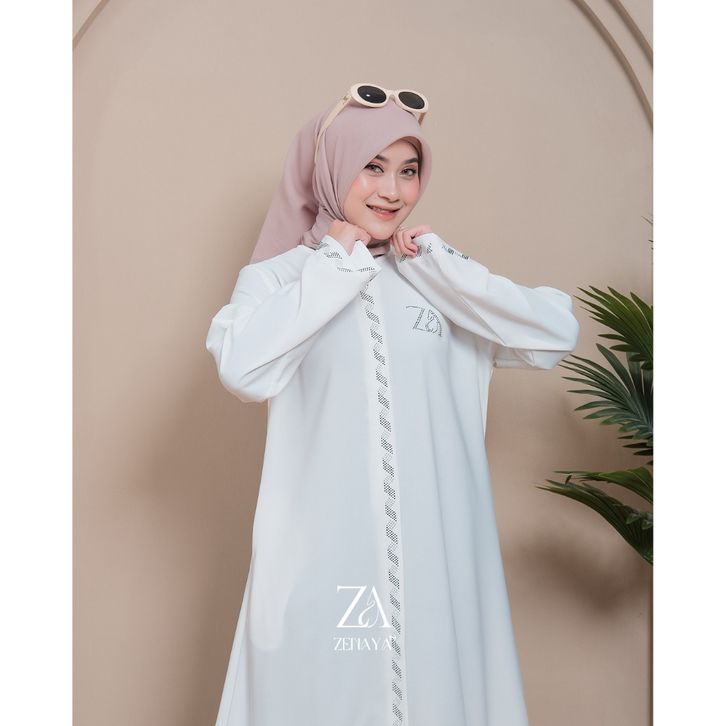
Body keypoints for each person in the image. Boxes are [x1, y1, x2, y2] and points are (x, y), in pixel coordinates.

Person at [205, 84, 580, 726]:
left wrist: (447, 269)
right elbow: (243, 368)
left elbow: (553, 334)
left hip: (436, 564)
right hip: (324, 565)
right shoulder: (281, 278)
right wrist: (335, 265)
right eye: (372, 167)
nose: (392, 190)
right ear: (331, 168)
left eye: (409, 171)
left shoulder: (432, 275)